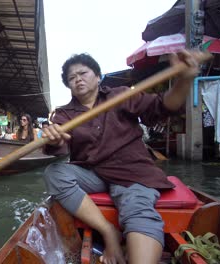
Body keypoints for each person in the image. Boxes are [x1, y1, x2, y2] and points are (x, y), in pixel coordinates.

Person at [41, 51, 201, 264]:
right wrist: (53, 139)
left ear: (98, 77)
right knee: (55, 173)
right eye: (72, 77)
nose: (78, 79)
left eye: (83, 73)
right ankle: (108, 231)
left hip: (132, 173)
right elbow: (59, 143)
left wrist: (185, 79)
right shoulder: (64, 114)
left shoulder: (122, 95)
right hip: (94, 174)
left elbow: (164, 105)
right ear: (69, 85)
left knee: (138, 210)